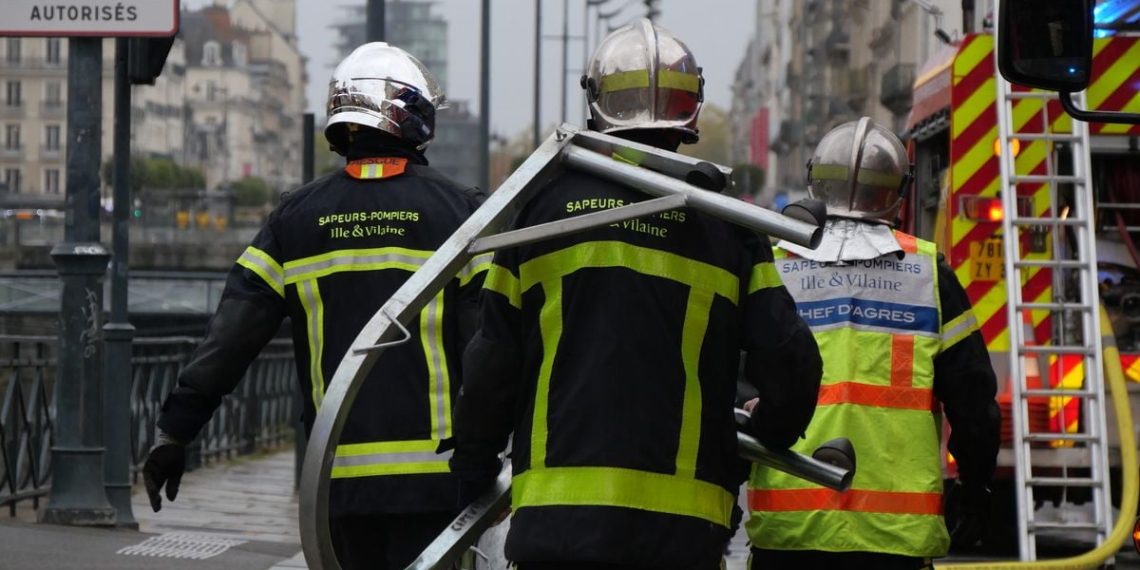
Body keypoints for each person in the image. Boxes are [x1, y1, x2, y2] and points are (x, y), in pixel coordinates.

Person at [448, 19, 823, 570]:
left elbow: (492, 363)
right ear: (690, 109)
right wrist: (764, 434)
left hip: (558, 525)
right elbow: (790, 361)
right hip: (684, 532)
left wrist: (474, 473)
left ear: (597, 102)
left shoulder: (541, 212)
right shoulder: (727, 224)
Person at [142, 43, 488, 570]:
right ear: (415, 116)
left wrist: (176, 430)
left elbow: (231, 337)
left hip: (334, 480)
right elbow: (490, 345)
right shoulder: (462, 214)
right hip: (437, 481)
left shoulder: (295, 219)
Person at [743, 117, 1001, 570]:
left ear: (814, 181)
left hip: (791, 534)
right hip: (894, 539)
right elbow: (974, 401)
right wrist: (975, 487)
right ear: (899, 193)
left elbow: (731, 389)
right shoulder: (927, 272)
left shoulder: (775, 266)